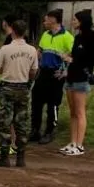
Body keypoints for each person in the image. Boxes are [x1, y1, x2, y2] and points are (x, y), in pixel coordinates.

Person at [0, 20, 39, 167]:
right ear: (25, 32)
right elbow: (34, 72)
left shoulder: (5, 49)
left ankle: (4, 156)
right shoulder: (32, 50)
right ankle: (21, 157)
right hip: (23, 88)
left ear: (13, 32)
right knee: (21, 122)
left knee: (4, 121)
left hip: (8, 87)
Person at [59, 9, 94, 156]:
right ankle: (72, 142)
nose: (73, 22)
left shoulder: (92, 37)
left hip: (81, 78)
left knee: (80, 111)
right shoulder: (77, 37)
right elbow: (75, 54)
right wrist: (67, 56)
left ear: (82, 21)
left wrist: (75, 60)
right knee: (72, 112)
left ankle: (79, 144)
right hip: (71, 76)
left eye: (75, 20)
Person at [31, 9, 74, 145]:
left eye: (46, 19)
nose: (44, 22)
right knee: (36, 101)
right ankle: (35, 130)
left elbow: (74, 56)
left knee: (53, 104)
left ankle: (49, 131)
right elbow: (41, 51)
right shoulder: (45, 35)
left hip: (56, 74)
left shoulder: (67, 37)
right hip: (43, 72)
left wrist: (66, 70)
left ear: (54, 20)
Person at [0, 14, 19, 155]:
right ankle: (9, 143)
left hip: (11, 80)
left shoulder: (11, 40)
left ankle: (11, 143)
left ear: (6, 23)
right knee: (10, 115)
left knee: (9, 114)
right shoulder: (11, 39)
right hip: (15, 80)